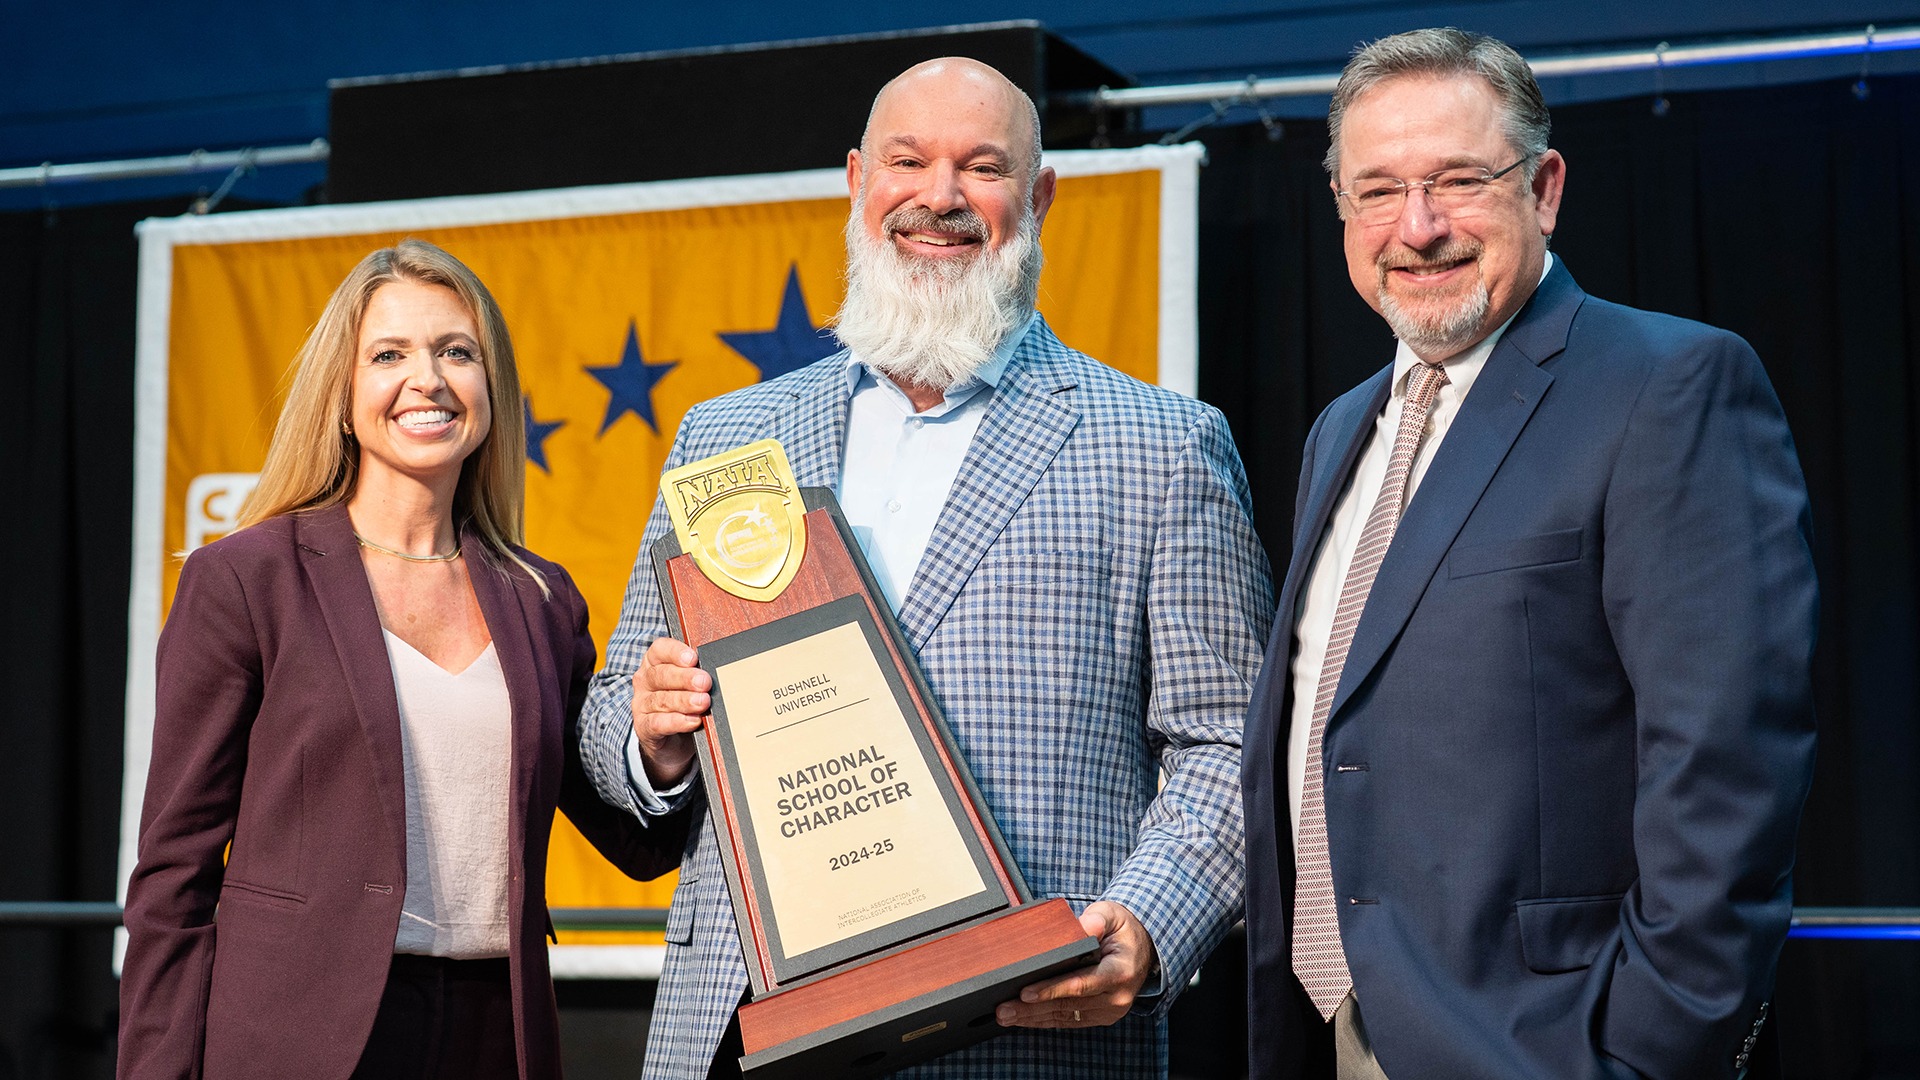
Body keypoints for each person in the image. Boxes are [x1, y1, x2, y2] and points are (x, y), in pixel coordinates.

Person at [578, 57, 1274, 1078]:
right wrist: (650, 735)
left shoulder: (1159, 445)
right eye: (909, 161)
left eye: (980, 167)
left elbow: (1231, 749)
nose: (939, 197)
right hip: (746, 1029)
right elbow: (609, 725)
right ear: (859, 182)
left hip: (1026, 1026)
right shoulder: (727, 439)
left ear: (1037, 198)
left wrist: (1146, 928)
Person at [1240, 28, 1818, 1080]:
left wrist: (1653, 1050)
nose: (1416, 228)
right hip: (1333, 1033)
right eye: (1377, 192)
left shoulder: (1668, 386)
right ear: (1340, 210)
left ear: (1544, 188)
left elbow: (1726, 762)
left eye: (1457, 181)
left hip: (1547, 1046)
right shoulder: (1343, 428)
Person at [118, 239, 681, 1080]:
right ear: (343, 397)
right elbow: (175, 871)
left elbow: (634, 841)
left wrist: (661, 755)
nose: (429, 378)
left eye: (458, 351)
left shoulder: (542, 599)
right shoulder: (244, 580)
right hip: (294, 1037)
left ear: (491, 390)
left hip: (500, 1034)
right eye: (389, 354)